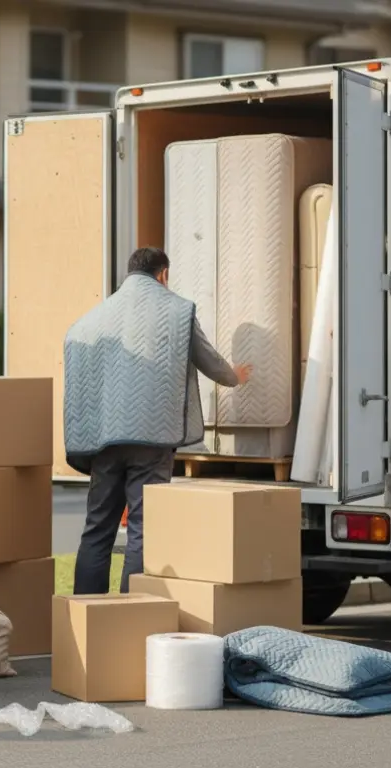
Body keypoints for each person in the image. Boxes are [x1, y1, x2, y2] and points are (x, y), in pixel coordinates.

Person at [63, 247, 251, 595]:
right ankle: (131, 612)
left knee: (97, 528)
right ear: (163, 274)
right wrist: (235, 376)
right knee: (143, 528)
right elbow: (209, 361)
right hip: (151, 437)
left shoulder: (93, 319)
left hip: (104, 441)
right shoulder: (176, 310)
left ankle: (85, 615)